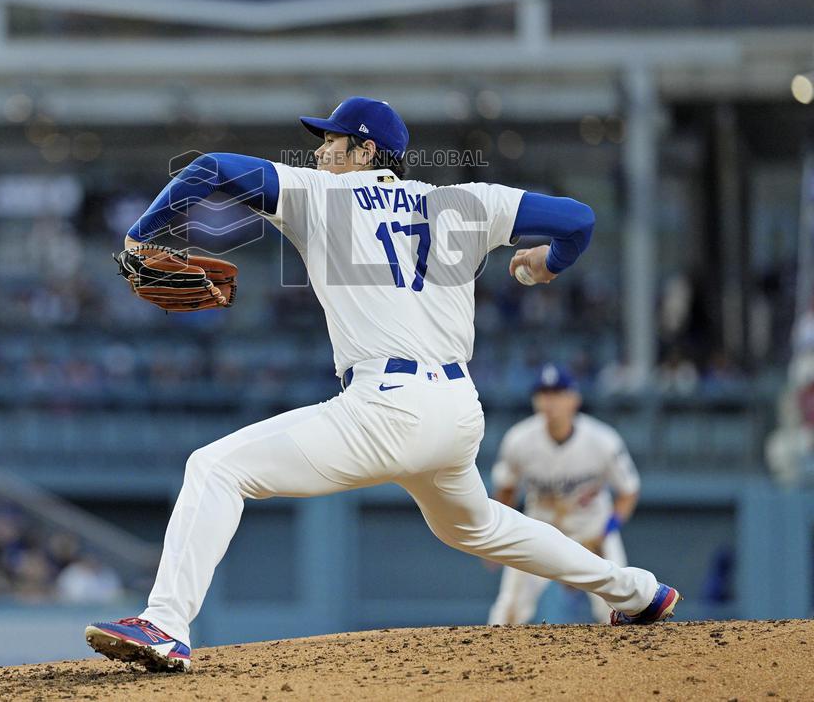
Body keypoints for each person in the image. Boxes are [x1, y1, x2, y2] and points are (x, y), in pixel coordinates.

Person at [86, 96, 679, 673]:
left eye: (331, 142)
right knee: (476, 526)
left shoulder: (321, 195)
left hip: (386, 407)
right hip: (456, 410)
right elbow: (580, 219)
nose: (320, 153)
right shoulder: (465, 200)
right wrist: (546, 263)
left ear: (365, 150)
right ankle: (634, 590)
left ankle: (164, 623)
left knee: (215, 469)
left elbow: (210, 170)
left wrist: (141, 238)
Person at [488, 363, 640, 625]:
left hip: (593, 531)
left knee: (618, 610)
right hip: (539, 531)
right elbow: (506, 490)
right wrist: (495, 539)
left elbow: (628, 491)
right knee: (508, 612)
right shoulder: (519, 440)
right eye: (544, 394)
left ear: (574, 398)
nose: (550, 402)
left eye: (558, 393)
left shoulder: (602, 440)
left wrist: (608, 530)